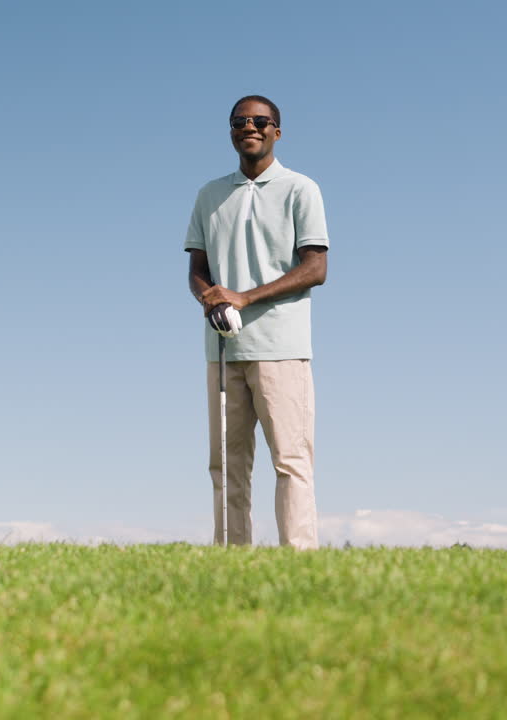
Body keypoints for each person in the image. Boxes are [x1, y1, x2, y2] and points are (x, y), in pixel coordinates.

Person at [183, 94, 329, 549]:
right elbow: (197, 270)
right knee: (226, 465)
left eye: (260, 121)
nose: (250, 127)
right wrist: (209, 297)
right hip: (223, 350)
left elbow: (315, 268)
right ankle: (233, 561)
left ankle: (300, 562)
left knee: (290, 460)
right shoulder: (209, 195)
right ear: (231, 132)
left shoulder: (301, 189)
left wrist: (243, 297)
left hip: (282, 347)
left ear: (276, 132)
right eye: (240, 121)